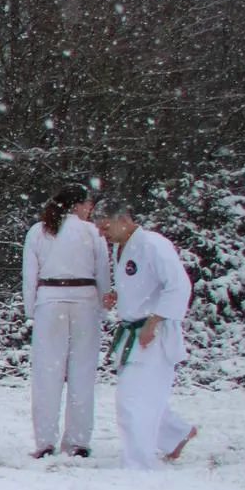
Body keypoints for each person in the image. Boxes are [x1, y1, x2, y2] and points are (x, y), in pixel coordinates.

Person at [93, 198, 197, 469]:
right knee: (144, 394)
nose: (104, 235)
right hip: (134, 331)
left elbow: (178, 287)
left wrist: (154, 321)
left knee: (132, 399)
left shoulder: (153, 244)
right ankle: (176, 435)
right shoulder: (123, 248)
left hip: (154, 331)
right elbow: (141, 283)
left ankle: (138, 463)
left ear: (124, 219)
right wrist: (120, 295)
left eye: (107, 229)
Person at [22, 184, 110, 459]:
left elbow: (29, 275)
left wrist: (31, 309)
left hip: (50, 300)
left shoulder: (39, 231)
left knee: (47, 374)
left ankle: (45, 441)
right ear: (77, 205)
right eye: (88, 203)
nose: (90, 209)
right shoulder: (93, 232)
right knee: (82, 373)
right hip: (85, 301)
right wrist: (103, 307)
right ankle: (77, 441)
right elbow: (103, 273)